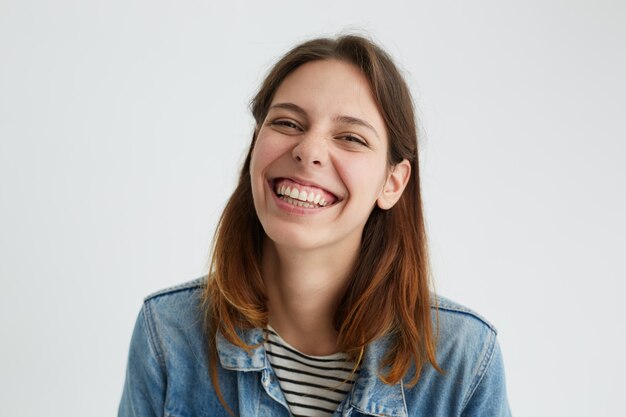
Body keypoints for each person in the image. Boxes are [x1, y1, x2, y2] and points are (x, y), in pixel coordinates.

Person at [118, 34, 511, 417]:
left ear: (393, 183)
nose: (308, 150)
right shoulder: (167, 333)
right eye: (288, 123)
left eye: (350, 137)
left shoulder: (465, 359)